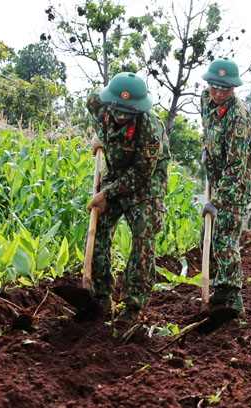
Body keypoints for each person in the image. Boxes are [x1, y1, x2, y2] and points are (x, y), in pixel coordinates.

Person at [86, 72, 170, 335]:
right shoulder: (97, 103)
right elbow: (95, 109)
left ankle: (132, 306)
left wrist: (107, 194)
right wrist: (99, 137)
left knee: (143, 241)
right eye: (117, 111)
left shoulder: (151, 128)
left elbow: (142, 173)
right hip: (114, 173)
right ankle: (100, 298)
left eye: (127, 113)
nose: (121, 117)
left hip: (146, 184)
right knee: (98, 231)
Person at [200, 57, 251, 316]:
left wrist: (217, 200)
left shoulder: (239, 117)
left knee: (226, 239)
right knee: (212, 238)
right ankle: (221, 287)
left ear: (234, 88)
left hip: (235, 185)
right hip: (217, 178)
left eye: (226, 89)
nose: (219, 93)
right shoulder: (206, 99)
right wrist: (207, 154)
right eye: (215, 87)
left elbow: (236, 168)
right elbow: (208, 130)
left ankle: (234, 298)